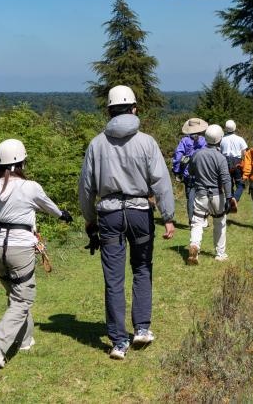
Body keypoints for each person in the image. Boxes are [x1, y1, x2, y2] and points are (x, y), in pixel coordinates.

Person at [79, 85, 176, 360]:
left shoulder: (97, 144)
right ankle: (142, 328)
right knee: (142, 268)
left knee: (113, 279)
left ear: (109, 111)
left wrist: (90, 219)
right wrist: (168, 216)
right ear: (134, 109)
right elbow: (161, 181)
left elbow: (86, 187)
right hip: (139, 212)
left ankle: (118, 342)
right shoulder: (147, 142)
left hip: (109, 215)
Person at [0, 138, 73, 368]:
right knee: (23, 298)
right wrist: (63, 215)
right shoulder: (30, 187)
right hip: (20, 249)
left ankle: (25, 341)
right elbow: (50, 207)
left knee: (15, 295)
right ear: (21, 162)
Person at [187, 124, 232, 264]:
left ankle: (195, 245)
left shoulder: (197, 154)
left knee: (197, 222)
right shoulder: (220, 157)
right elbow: (226, 179)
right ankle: (220, 254)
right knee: (220, 223)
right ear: (219, 139)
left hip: (201, 194)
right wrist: (229, 197)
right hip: (217, 195)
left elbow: (191, 171)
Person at [172, 118, 208, 224]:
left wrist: (177, 171)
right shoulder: (204, 140)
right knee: (202, 195)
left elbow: (178, 156)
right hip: (202, 172)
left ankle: (191, 220)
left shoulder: (184, 141)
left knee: (190, 197)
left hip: (188, 173)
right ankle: (202, 218)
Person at [220, 119, 248, 205]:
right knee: (240, 184)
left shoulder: (222, 139)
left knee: (229, 184)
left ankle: (229, 203)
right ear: (235, 128)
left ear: (225, 128)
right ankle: (235, 199)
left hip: (225, 162)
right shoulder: (240, 139)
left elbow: (219, 153)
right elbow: (245, 153)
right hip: (237, 162)